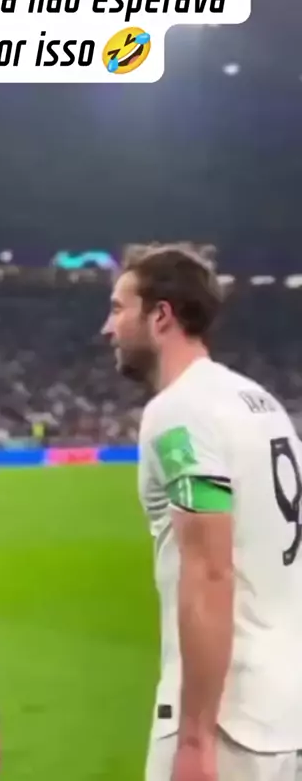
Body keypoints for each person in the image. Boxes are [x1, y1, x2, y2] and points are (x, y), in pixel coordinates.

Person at [102, 244, 302, 781]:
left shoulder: (179, 412)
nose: (107, 328)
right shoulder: (262, 403)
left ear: (161, 316)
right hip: (286, 709)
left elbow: (211, 571)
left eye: (118, 309)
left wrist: (194, 739)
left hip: (230, 721)